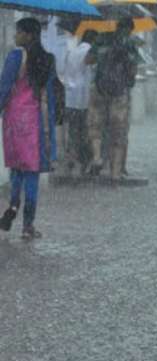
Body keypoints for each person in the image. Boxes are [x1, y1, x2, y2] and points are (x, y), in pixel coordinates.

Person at [0, 18, 59, 239]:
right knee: (32, 172)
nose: (15, 36)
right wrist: (50, 125)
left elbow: (4, 88)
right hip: (36, 121)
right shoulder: (48, 59)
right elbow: (50, 95)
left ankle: (13, 207)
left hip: (15, 120)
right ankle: (28, 225)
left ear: (29, 35)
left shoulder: (15, 57)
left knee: (16, 169)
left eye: (19, 32)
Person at [85, 17, 140, 182]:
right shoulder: (130, 44)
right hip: (120, 93)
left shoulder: (102, 39)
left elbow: (88, 60)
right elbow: (133, 71)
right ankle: (115, 173)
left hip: (99, 90)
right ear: (130, 29)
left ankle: (97, 157)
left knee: (95, 127)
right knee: (118, 134)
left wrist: (103, 57)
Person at [63, 29, 97, 176]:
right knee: (83, 130)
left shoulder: (72, 51)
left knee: (72, 129)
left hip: (70, 97)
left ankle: (71, 157)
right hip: (82, 98)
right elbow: (89, 67)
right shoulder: (89, 52)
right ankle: (84, 160)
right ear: (93, 40)